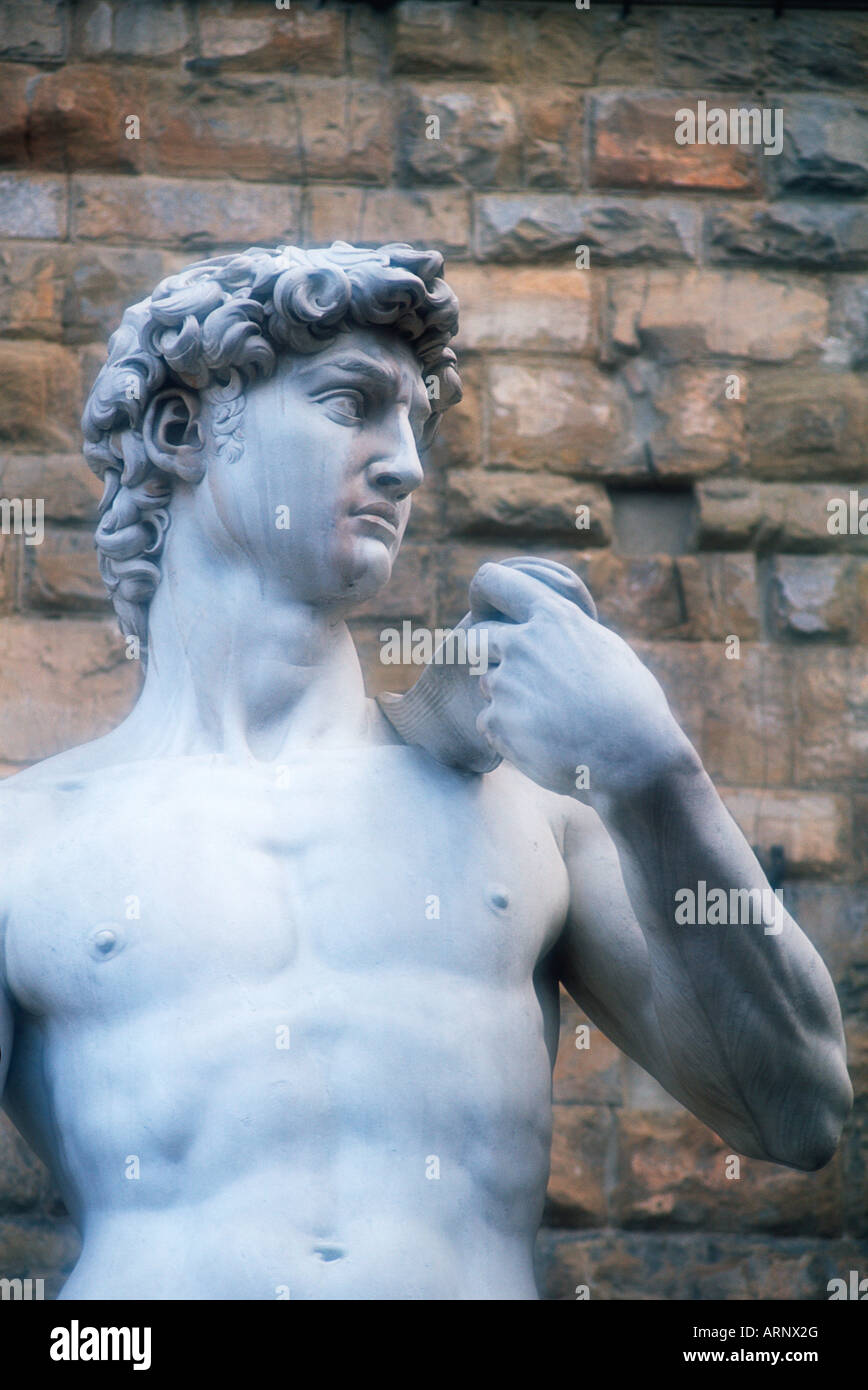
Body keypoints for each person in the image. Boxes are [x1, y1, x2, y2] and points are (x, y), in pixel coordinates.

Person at [0, 243, 852, 1300]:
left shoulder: (525, 815)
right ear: (180, 431)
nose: (406, 463)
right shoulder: (23, 843)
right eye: (351, 402)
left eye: (414, 422)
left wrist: (654, 775)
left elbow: (799, 1115)